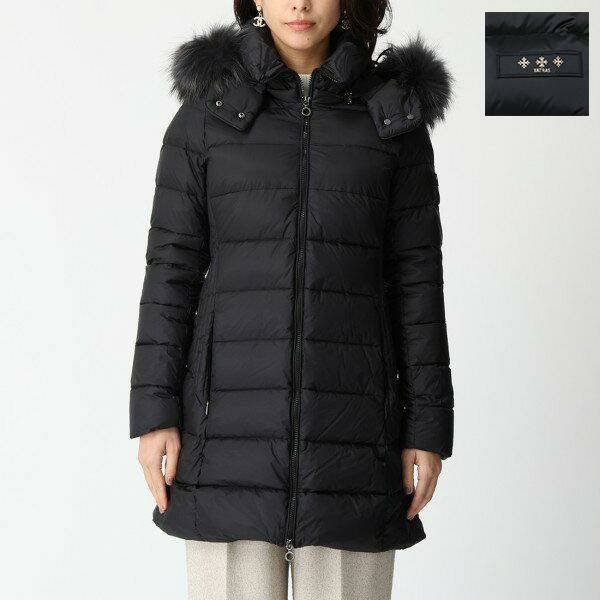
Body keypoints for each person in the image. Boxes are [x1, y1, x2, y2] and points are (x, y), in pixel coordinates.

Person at [129, 1, 455, 598]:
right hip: (225, 438)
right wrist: (155, 415)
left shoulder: (392, 119)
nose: (299, 3)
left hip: (355, 440)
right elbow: (171, 272)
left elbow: (417, 282)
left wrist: (428, 427)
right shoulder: (207, 113)